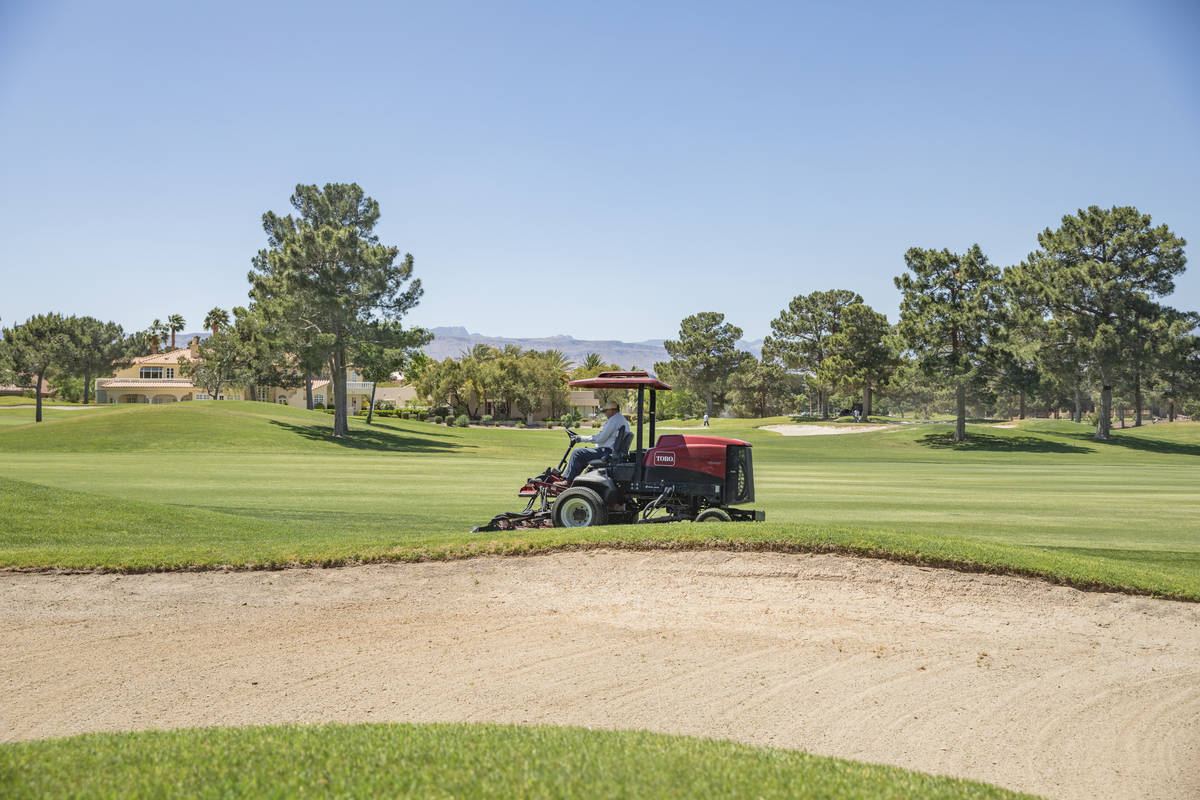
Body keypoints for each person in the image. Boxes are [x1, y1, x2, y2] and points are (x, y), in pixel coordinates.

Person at [562, 400, 630, 482]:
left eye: (606, 411)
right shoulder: (622, 419)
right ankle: (574, 480)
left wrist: (581, 438)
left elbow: (600, 438)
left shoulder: (613, 420)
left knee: (577, 453)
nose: (605, 414)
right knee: (584, 452)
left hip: (607, 453)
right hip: (613, 452)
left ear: (612, 410)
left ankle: (568, 481)